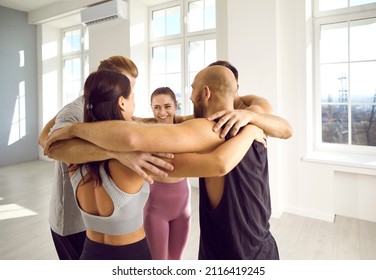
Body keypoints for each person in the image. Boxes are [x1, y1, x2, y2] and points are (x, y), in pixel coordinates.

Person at [44, 65, 292, 259]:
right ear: (122, 102)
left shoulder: (74, 157)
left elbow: (53, 147)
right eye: (133, 97)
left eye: (193, 88)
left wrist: (77, 131)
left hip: (91, 253)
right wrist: (250, 129)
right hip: (134, 255)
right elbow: (217, 163)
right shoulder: (138, 161)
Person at [38, 56, 172, 260]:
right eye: (128, 88)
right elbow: (50, 144)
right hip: (74, 223)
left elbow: (135, 122)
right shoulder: (75, 111)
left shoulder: (101, 111)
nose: (129, 92)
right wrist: (116, 152)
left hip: (95, 223)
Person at [143, 87, 191, 260]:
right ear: (151, 108)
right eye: (156, 107)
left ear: (176, 105)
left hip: (183, 209)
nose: (162, 112)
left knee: (176, 261)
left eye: (167, 106)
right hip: (156, 211)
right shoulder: (146, 133)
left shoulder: (185, 129)